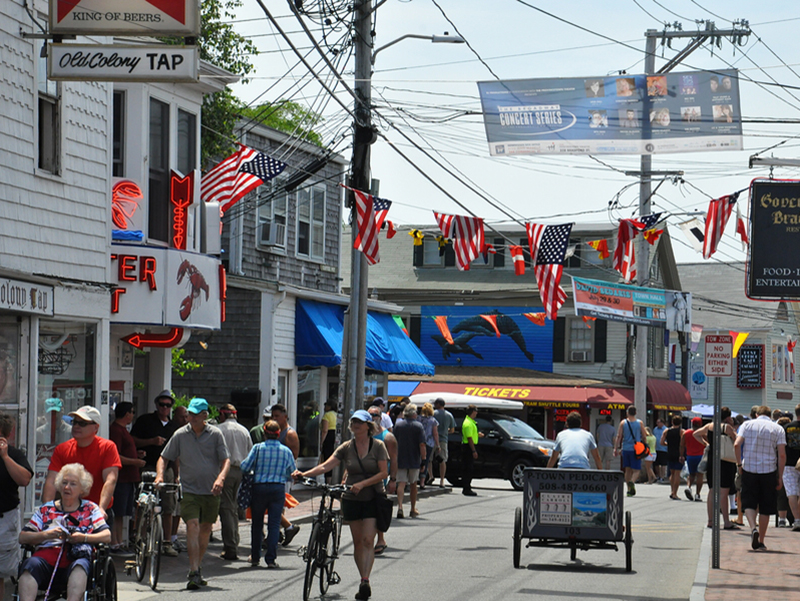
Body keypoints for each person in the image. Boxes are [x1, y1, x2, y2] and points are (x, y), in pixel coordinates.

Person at [293, 410, 388, 601]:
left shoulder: (378, 446)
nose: (355, 425)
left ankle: (365, 581)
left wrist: (362, 484)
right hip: (351, 498)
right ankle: (363, 577)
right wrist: (304, 474)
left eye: (359, 422)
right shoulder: (346, 447)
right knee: (358, 541)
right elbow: (326, 466)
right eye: (353, 422)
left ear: (368, 426)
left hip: (372, 497)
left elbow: (383, 473)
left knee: (369, 540)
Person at [156, 398, 230, 589]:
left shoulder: (215, 434)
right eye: (190, 414)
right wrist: (159, 475)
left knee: (205, 529)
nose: (192, 418)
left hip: (211, 491)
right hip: (189, 490)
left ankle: (198, 566)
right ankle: (193, 569)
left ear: (205, 415)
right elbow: (164, 457)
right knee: (192, 525)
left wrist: (220, 478)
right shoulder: (180, 435)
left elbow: (226, 460)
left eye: (197, 414)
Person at [18, 464, 110, 601]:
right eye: (64, 483)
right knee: (30, 565)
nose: (67, 487)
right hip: (46, 558)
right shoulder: (46, 509)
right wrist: (47, 535)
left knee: (80, 566)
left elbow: (107, 536)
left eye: (73, 484)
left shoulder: (90, 509)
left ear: (82, 489)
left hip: (75, 557)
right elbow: (23, 537)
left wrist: (83, 538)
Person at [42, 406, 121, 520]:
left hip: (96, 512)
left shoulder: (107, 447)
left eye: (82, 423)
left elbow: (110, 480)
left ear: (96, 427)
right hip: (67, 511)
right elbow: (51, 480)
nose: (76, 426)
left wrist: (101, 508)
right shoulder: (62, 449)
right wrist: (47, 508)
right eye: (75, 422)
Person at [130, 390, 180, 556]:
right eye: (162, 404)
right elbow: (133, 440)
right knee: (145, 503)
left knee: (168, 506)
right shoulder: (145, 421)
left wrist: (178, 474)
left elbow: (177, 454)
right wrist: (151, 441)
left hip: (168, 470)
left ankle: (167, 542)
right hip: (148, 467)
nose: (164, 408)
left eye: (168, 405)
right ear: (156, 405)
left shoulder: (174, 427)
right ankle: (141, 538)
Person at [240, 420, 295, 568]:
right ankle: (271, 559)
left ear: (264, 433)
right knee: (274, 524)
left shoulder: (257, 448)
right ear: (278, 434)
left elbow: (244, 466)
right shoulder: (285, 451)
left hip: (259, 488)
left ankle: (255, 557)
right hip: (278, 489)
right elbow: (292, 472)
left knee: (257, 524)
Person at [735, 405, 786, 551]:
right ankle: (761, 540)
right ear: (770, 415)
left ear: (757, 414)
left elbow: (737, 444)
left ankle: (752, 528)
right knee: (766, 506)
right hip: (768, 470)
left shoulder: (746, 425)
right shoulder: (777, 429)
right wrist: (780, 476)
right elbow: (782, 454)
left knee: (749, 502)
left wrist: (739, 464)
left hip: (749, 469)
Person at [0, 413, 33, 599]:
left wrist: (5, 457)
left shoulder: (14, 455)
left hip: (4, 519)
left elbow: (25, 479)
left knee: (0, 573)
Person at [216, 403, 253, 561]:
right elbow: (250, 452)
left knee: (227, 508)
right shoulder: (244, 430)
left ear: (223, 415)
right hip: (241, 471)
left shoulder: (220, 430)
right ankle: (233, 541)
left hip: (227, 470)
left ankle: (231, 547)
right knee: (233, 507)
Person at [693, 408, 740, 529]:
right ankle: (726, 521)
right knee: (724, 492)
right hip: (725, 461)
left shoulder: (709, 426)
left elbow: (695, 434)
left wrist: (707, 444)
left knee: (712, 490)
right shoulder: (727, 427)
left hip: (712, 460)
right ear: (728, 417)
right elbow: (737, 441)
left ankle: (710, 520)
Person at [108, 402, 144, 554]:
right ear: (126, 414)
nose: (133, 415)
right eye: (132, 412)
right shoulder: (116, 431)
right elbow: (116, 455)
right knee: (118, 511)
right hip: (121, 477)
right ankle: (114, 542)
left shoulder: (123, 430)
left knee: (123, 512)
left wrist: (137, 454)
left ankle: (119, 541)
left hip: (129, 478)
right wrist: (135, 462)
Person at [270, 404, 301, 546]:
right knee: (276, 506)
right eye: (273, 416)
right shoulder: (275, 432)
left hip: (284, 476)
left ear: (285, 417)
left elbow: (293, 456)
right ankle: (277, 533)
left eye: (277, 416)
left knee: (275, 505)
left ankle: (286, 528)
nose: (274, 419)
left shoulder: (289, 433)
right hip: (273, 474)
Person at [368, 406, 397, 556]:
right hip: (363, 478)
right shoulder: (362, 435)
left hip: (381, 479)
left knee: (378, 508)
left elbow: (394, 459)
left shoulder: (387, 437)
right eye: (370, 415)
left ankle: (380, 539)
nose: (373, 417)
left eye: (375, 415)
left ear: (381, 417)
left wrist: (393, 480)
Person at [393, 404, 425, 517]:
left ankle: (400, 507)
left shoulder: (398, 425)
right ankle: (412, 508)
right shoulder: (418, 426)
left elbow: (394, 442)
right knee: (413, 484)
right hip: (414, 459)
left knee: (401, 483)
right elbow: (422, 444)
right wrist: (424, 459)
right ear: (414, 413)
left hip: (400, 458)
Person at [169, 405, 189, 552]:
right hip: (176, 474)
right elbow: (174, 455)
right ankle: (168, 538)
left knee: (179, 509)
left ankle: (174, 536)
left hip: (188, 474)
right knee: (172, 508)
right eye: (182, 416)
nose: (185, 419)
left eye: (186, 416)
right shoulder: (175, 432)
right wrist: (177, 475)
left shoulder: (190, 432)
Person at [614, 406, 647, 497]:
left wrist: (616, 448)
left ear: (627, 412)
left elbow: (619, 436)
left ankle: (629, 489)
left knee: (627, 470)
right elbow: (644, 436)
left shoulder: (623, 423)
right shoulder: (639, 423)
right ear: (635, 413)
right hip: (636, 449)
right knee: (636, 470)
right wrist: (645, 445)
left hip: (625, 449)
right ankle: (632, 482)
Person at [782, 404, 800, 531]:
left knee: (792, 493)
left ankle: (797, 521)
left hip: (789, 464)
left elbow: (781, 447)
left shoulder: (786, 427)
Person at [681, 417, 706, 502]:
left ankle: (688, 487)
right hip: (700, 455)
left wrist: (681, 455)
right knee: (700, 475)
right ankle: (697, 494)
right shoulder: (703, 433)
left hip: (690, 456)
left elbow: (681, 445)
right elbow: (708, 444)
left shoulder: (686, 433)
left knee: (691, 474)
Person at [461, 404, 483, 496]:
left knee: (469, 468)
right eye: (476, 411)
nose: (477, 413)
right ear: (472, 412)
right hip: (468, 447)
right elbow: (469, 438)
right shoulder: (468, 423)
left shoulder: (471, 422)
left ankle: (467, 486)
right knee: (468, 468)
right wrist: (473, 450)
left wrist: (477, 434)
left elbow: (471, 435)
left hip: (469, 446)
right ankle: (466, 488)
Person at [433, 398, 456, 488]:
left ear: (438, 404)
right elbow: (452, 430)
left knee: (430, 459)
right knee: (442, 460)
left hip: (432, 439)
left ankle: (430, 476)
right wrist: (446, 431)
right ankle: (442, 480)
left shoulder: (433, 414)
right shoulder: (449, 415)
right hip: (443, 439)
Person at [661, 415, 685, 500]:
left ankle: (672, 491)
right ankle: (675, 493)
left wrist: (668, 444)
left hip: (670, 453)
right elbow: (682, 443)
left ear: (672, 422)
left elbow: (661, 442)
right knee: (677, 473)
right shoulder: (681, 432)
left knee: (672, 473)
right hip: (678, 453)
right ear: (680, 423)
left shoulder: (667, 431)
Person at [417, 403, 439, 488]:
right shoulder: (433, 420)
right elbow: (435, 433)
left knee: (417, 460)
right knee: (425, 462)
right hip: (429, 443)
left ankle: (415, 479)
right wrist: (437, 445)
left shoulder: (418, 419)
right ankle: (422, 482)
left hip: (418, 442)